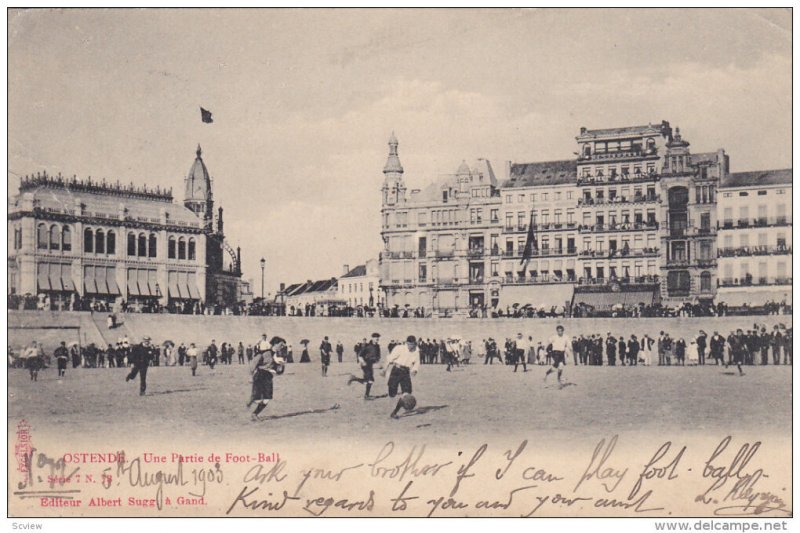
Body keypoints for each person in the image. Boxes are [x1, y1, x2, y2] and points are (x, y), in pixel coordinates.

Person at [248, 336, 287, 421]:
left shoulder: (278, 356)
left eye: (283, 346)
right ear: (275, 344)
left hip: (268, 377)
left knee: (267, 398)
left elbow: (278, 372)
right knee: (258, 398)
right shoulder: (265, 353)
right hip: (260, 375)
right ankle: (253, 411)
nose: (282, 347)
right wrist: (250, 376)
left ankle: (254, 412)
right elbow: (253, 364)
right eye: (281, 345)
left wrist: (282, 366)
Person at [384, 335, 421, 419]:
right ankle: (394, 405)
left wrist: (415, 370)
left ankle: (394, 412)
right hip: (396, 370)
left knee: (407, 393)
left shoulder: (416, 351)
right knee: (392, 393)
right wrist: (384, 369)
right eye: (409, 344)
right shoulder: (399, 348)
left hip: (406, 372)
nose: (411, 346)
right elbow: (390, 358)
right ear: (406, 343)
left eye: (412, 344)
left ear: (415, 343)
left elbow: (417, 362)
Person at [348, 333, 381, 399]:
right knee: (370, 380)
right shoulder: (367, 346)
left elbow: (378, 356)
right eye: (375, 337)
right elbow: (359, 355)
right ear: (372, 338)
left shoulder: (377, 346)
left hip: (371, 365)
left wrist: (377, 360)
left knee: (368, 381)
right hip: (365, 364)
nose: (377, 338)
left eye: (378, 337)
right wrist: (363, 362)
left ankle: (354, 378)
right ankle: (366, 396)